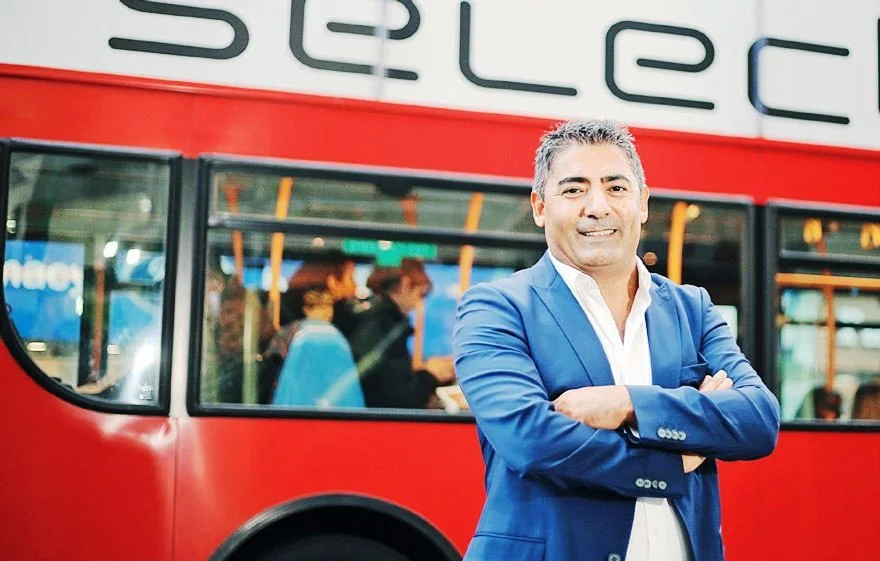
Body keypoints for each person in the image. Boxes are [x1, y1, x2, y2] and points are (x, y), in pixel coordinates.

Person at [453, 119, 780, 561]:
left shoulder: (692, 308)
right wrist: (677, 458)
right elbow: (532, 440)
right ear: (540, 207)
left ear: (641, 203)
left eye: (616, 187)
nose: (597, 206)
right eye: (574, 189)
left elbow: (757, 419)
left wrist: (626, 404)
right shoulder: (496, 307)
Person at [348, 258, 455, 408]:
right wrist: (431, 374)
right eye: (420, 294)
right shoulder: (385, 328)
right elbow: (398, 397)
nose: (417, 304)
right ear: (405, 284)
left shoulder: (364, 318)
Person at [262, 260, 365, 408]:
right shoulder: (324, 335)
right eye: (351, 278)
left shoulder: (288, 332)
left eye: (328, 307)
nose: (355, 286)